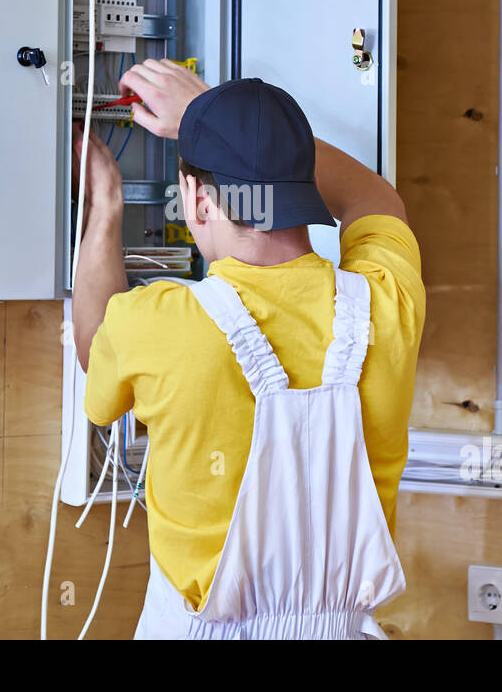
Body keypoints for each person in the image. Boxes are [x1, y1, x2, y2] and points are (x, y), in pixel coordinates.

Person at [72, 58, 424, 639]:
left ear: (199, 201)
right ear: (306, 190)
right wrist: (218, 122)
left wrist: (106, 205)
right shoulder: (385, 305)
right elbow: (375, 201)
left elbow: (92, 345)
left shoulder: (160, 323)